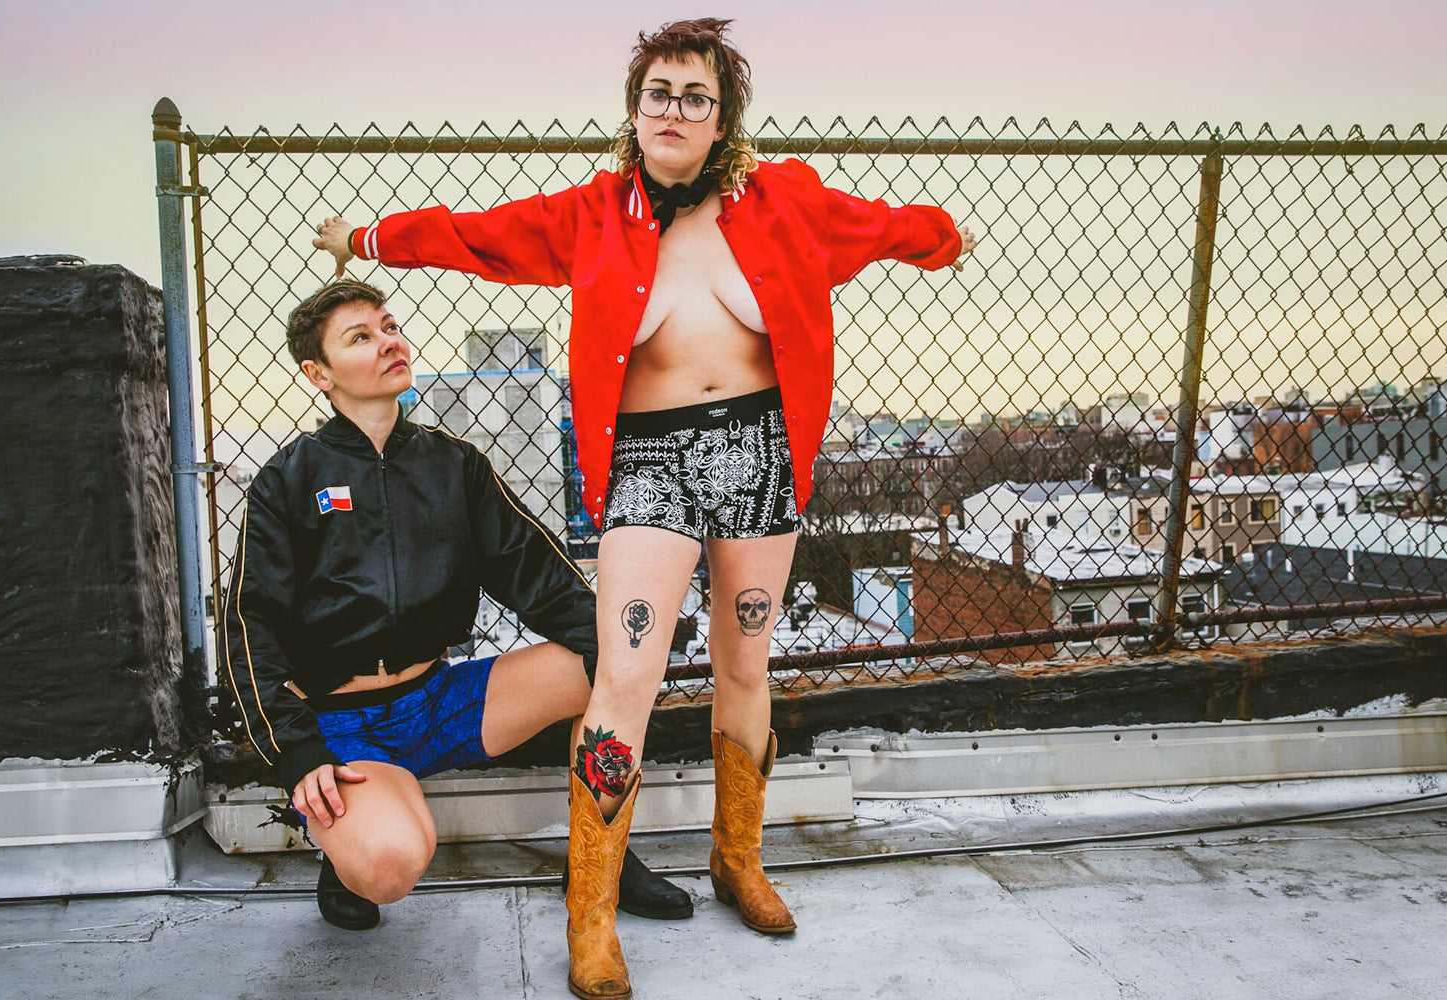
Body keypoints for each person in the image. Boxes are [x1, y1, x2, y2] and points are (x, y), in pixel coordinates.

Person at [313, 19, 976, 997]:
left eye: (694, 97)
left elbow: (883, 223)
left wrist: (943, 237)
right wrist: (367, 239)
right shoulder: (593, 215)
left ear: (722, 120)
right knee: (626, 673)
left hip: (760, 452)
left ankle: (738, 859)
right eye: (658, 92)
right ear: (634, 111)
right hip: (649, 465)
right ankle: (591, 910)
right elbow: (475, 236)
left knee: (748, 657)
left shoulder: (784, 201)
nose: (674, 109)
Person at [221, 278, 690, 932]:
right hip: (343, 727)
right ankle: (349, 841)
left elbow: (531, 570)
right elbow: (251, 627)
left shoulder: (453, 464)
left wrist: (617, 646)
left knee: (614, 664)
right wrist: (297, 753)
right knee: (389, 866)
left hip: (441, 701)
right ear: (318, 372)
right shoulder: (289, 478)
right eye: (361, 337)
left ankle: (598, 856)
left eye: (389, 326)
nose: (388, 341)